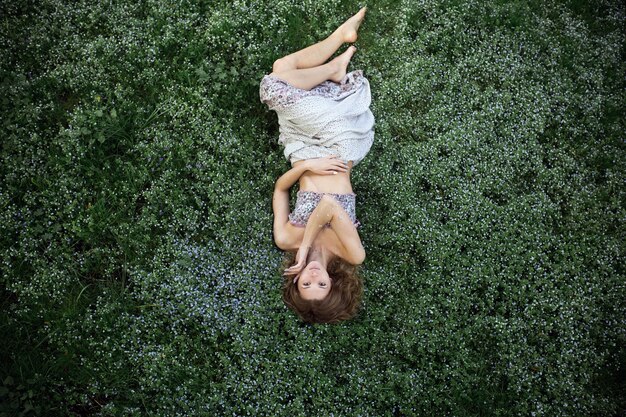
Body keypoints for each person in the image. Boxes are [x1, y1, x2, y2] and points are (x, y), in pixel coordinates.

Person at [259, 6, 374, 323]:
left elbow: (281, 191)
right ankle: (334, 62)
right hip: (342, 145)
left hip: (301, 149)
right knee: (273, 86)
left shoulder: (286, 239)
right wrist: (307, 242)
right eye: (320, 284)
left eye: (305, 283)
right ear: (333, 282)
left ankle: (337, 51)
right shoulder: (351, 253)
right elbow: (326, 207)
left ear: (295, 280)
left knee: (282, 69)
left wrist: (306, 165)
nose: (312, 275)